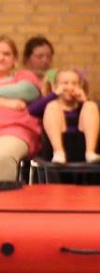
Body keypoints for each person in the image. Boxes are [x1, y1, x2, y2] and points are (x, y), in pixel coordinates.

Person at [0, 37, 45, 176]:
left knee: (2, 156)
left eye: (6, 54)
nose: (1, 58)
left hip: (15, 131)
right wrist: (6, 102)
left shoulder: (24, 75)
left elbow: (27, 92)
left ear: (14, 59)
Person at [41, 69, 100, 164]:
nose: (70, 87)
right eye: (65, 83)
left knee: (91, 105)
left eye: (74, 83)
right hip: (56, 150)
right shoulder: (50, 105)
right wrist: (54, 94)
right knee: (52, 106)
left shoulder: (86, 106)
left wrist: (85, 100)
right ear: (55, 86)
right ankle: (59, 152)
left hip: (83, 145)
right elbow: (31, 110)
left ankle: (90, 153)